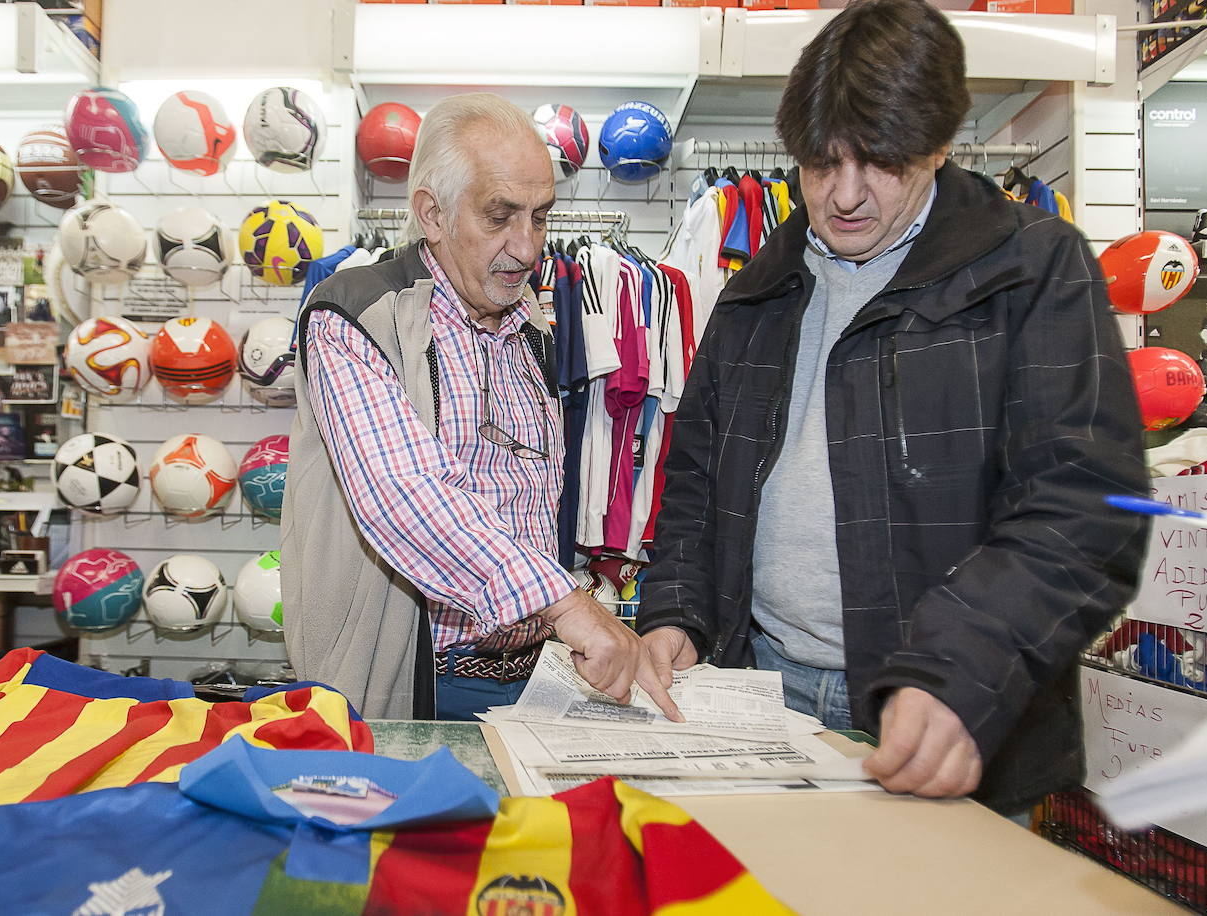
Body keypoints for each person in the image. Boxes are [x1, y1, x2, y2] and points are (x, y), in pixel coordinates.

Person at [638, 0, 1149, 815]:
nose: (844, 196)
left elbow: (1080, 508)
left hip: (949, 717)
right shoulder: (754, 291)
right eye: (818, 163)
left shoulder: (1032, 270)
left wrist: (963, 669)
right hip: (760, 697)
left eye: (881, 163)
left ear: (940, 145)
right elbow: (698, 481)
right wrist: (677, 613)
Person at [280, 93, 680, 723]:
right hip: (410, 686)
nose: (527, 248)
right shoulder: (357, 313)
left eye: (541, 217)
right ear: (431, 214)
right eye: (500, 217)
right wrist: (570, 606)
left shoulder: (530, 326)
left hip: (534, 679)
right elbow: (404, 491)